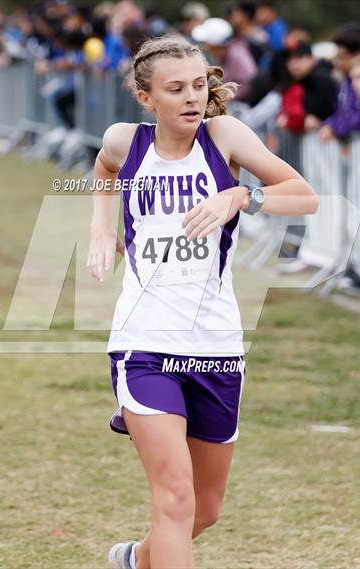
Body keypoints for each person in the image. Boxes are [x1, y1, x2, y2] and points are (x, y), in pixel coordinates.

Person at [87, 34, 318, 569]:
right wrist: (103, 226)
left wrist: (243, 194)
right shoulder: (127, 142)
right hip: (143, 344)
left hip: (216, 345)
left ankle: (134, 561)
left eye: (198, 85)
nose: (192, 97)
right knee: (175, 498)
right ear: (147, 98)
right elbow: (103, 170)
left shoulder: (225, 137)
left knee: (204, 511)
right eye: (175, 89)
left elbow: (303, 195)